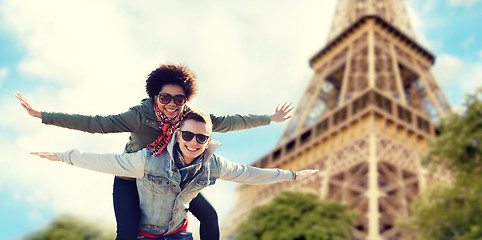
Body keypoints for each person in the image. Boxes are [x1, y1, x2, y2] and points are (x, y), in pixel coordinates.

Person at [16, 64, 294, 240]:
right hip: (133, 175)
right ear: (154, 97)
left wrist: (270, 118)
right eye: (165, 98)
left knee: (210, 217)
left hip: (173, 176)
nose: (172, 104)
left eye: (179, 99)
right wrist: (42, 115)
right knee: (126, 234)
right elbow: (96, 124)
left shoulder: (192, 118)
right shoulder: (139, 116)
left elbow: (229, 122)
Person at [31, 110, 318, 239]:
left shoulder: (213, 163)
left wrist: (291, 175)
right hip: (144, 232)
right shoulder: (148, 159)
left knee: (210, 216)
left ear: (208, 139)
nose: (194, 142)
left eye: (201, 138)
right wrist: (62, 156)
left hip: (177, 235)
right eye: (189, 136)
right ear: (177, 134)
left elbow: (249, 173)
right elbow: (106, 160)